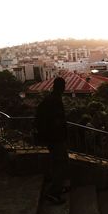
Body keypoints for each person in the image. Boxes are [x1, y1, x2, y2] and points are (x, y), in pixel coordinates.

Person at [35, 77, 69, 205]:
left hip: (52, 138)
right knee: (61, 164)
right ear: (62, 87)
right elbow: (56, 121)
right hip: (55, 139)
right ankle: (54, 193)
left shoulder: (49, 99)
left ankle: (57, 187)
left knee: (57, 163)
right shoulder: (54, 101)